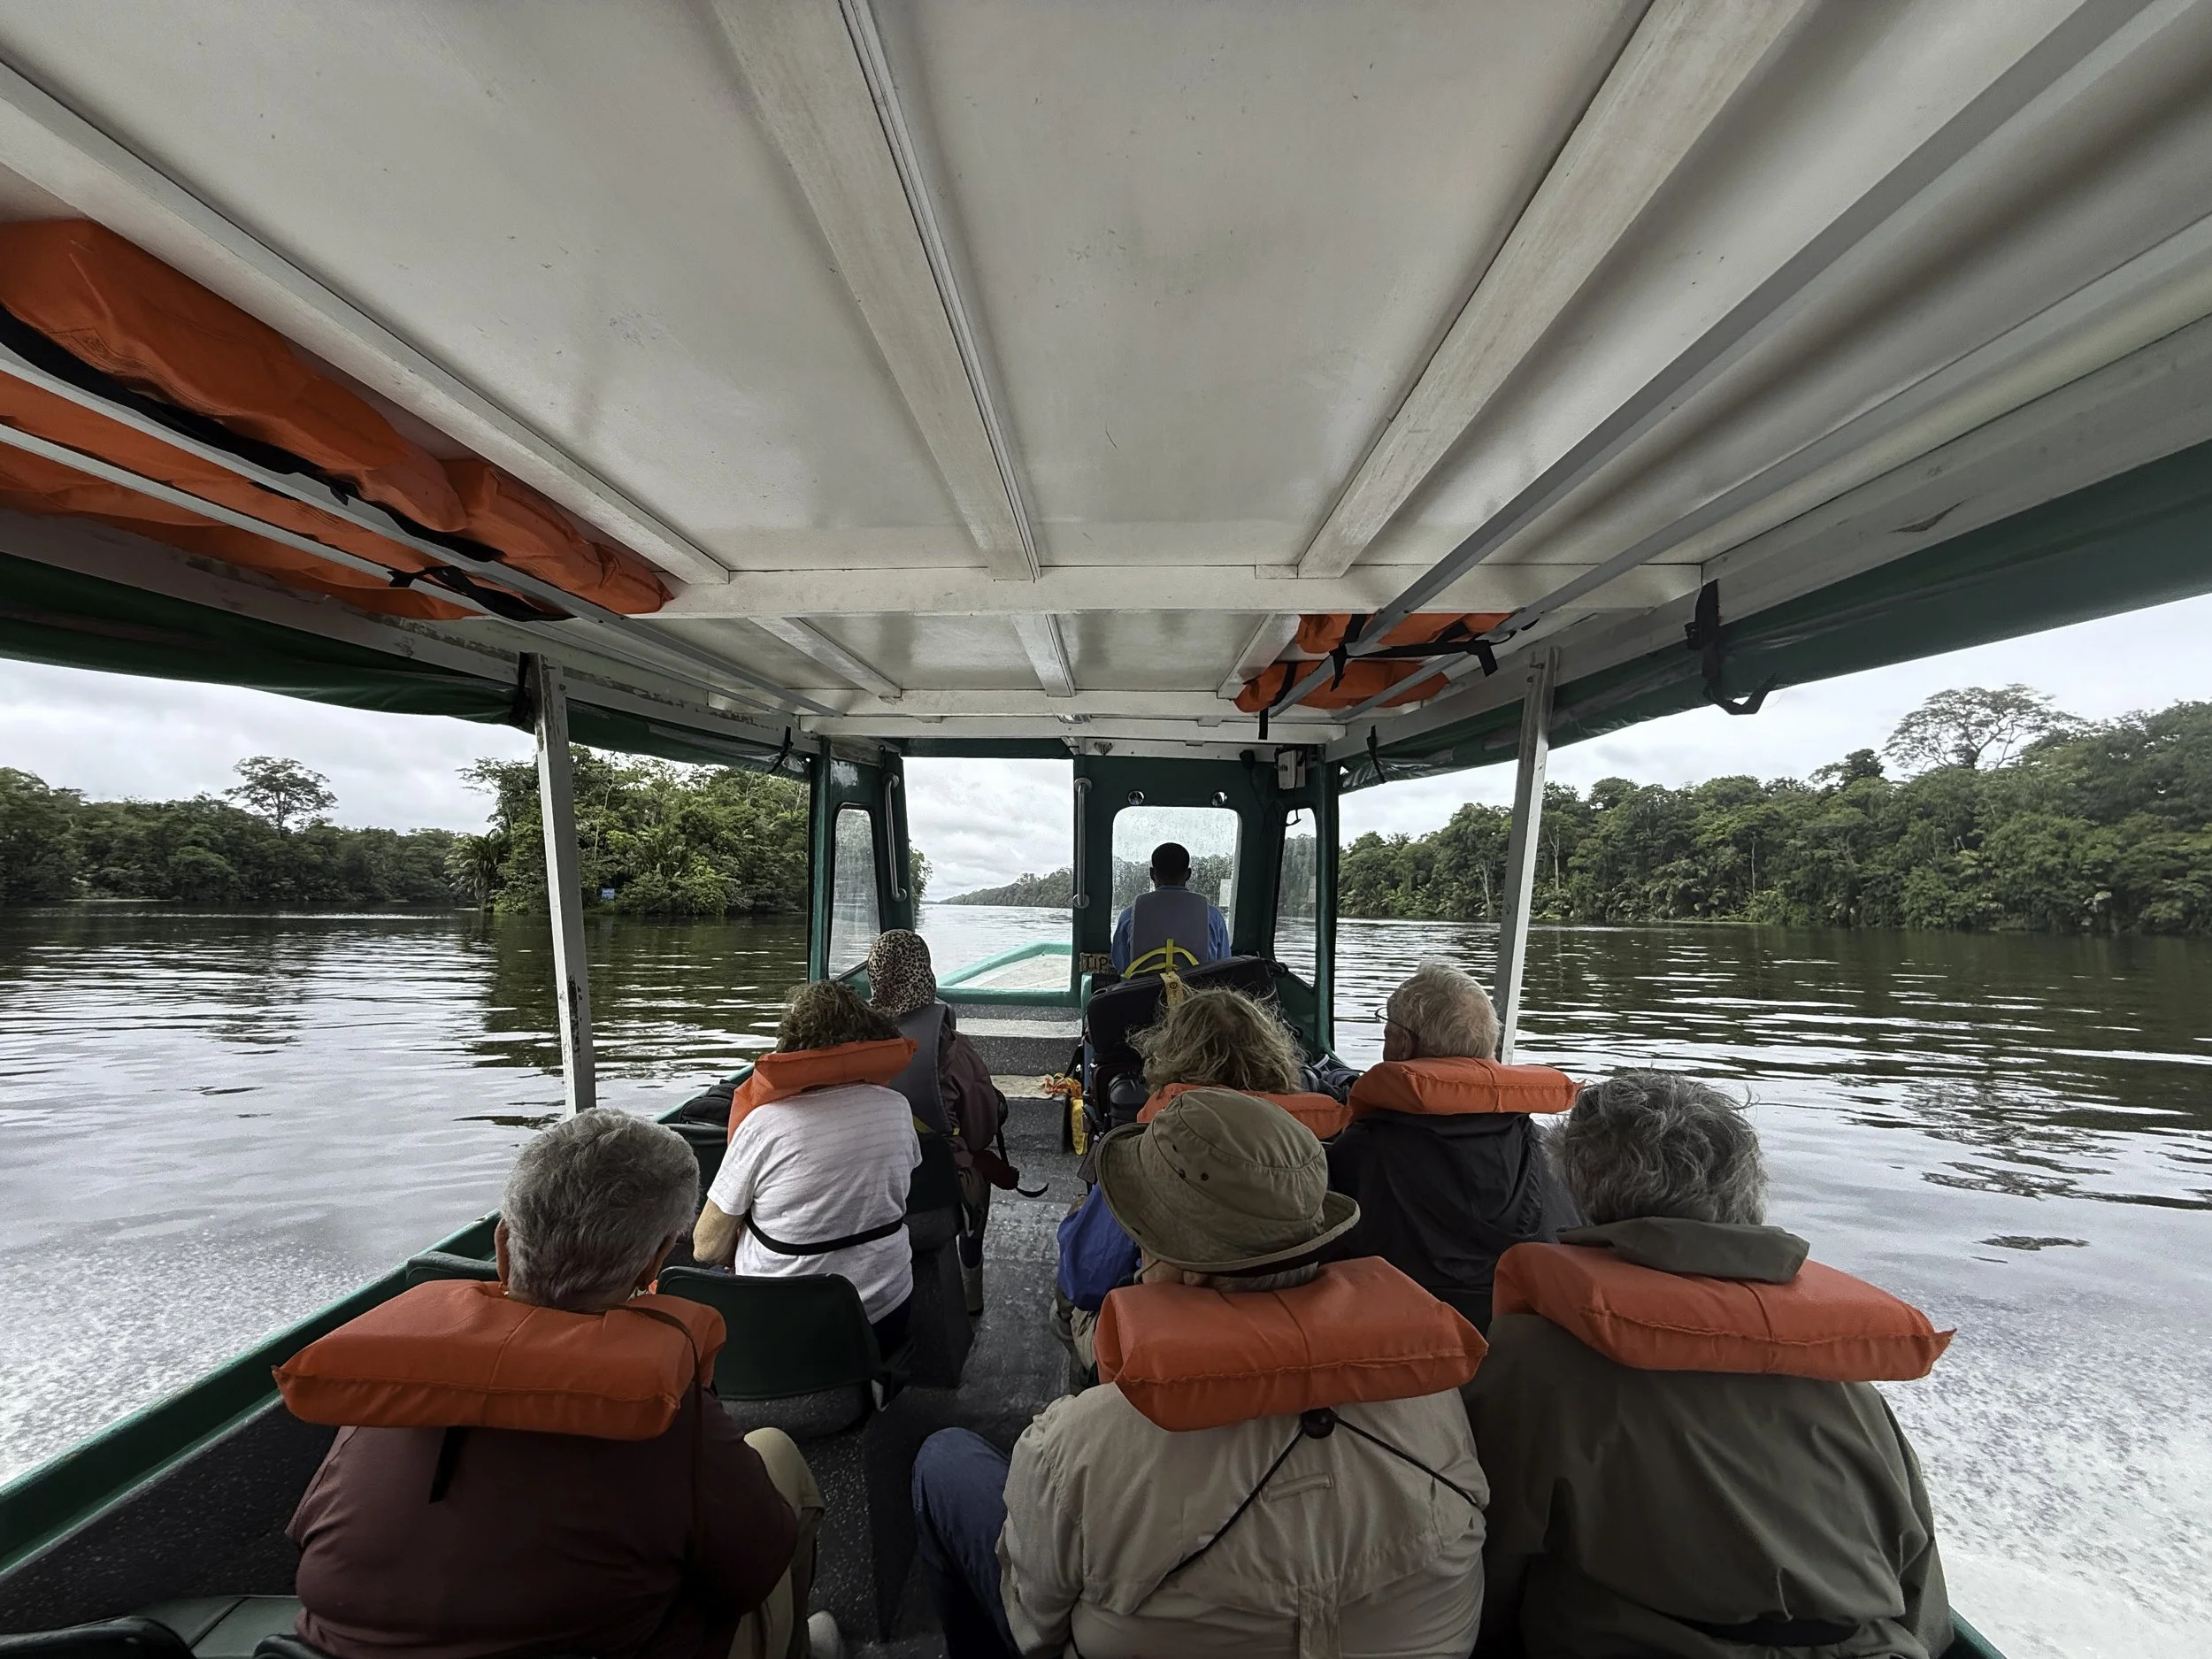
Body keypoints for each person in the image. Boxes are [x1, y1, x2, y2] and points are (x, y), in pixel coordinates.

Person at [916, 1088, 1488, 1659]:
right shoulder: (1436, 1402)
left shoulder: (1083, 1444)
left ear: (1185, 1270)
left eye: (1144, 1242)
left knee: (943, 1462)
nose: (1138, 1259)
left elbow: (1034, 1627)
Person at [287, 1110, 838, 1659]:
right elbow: (751, 1572)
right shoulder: (664, 1411)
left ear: (504, 1245)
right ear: (654, 1263)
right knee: (776, 1452)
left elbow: (308, 1541)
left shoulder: (389, 1386)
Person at [1468, 1071, 1954, 1658]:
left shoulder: (1536, 1357)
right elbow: (1920, 1582)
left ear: (1583, 1190)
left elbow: (1484, 1568)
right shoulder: (1844, 1375)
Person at [1055, 987, 1341, 1379]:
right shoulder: (1313, 1151)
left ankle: (1083, 1394)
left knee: (1072, 1299)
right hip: (1295, 1338)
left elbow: (1086, 1278)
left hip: (1174, 1350)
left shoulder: (1162, 1152)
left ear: (1171, 1057)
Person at [1325, 960, 1578, 1330]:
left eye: (1386, 1030)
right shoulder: (1548, 1151)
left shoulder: (1359, 1153)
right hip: (1519, 1343)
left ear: (1401, 1044)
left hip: (1409, 1347)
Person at [695, 979, 922, 1355]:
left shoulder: (765, 1124)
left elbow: (706, 1247)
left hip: (782, 1331)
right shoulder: (897, 1108)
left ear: (790, 1044)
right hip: (884, 1318)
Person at [867, 929, 1010, 1311]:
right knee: (978, 1168)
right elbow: (980, 1131)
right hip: (928, 1198)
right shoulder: (949, 1047)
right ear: (924, 973)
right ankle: (971, 1282)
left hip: (863, 1198)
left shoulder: (849, 1038)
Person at [1110, 841, 1230, 975]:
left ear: (1151, 874)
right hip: (1197, 994)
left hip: (1141, 994)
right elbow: (1223, 965)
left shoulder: (1129, 915)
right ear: (1188, 874)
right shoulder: (1213, 917)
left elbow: (1121, 965)